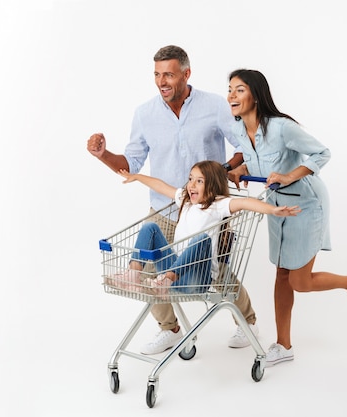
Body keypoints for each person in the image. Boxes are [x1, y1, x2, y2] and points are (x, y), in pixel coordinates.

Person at [87, 45, 259, 355]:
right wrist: (103, 155)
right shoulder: (145, 114)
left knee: (216, 272)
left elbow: (243, 145)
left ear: (186, 73)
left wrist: (227, 170)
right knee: (150, 269)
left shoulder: (214, 106)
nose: (161, 81)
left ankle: (247, 320)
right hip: (166, 207)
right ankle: (171, 329)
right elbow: (131, 164)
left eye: (168, 74)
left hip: (209, 209)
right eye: (156, 74)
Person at [225, 68, 347, 367]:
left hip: (306, 204)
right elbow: (253, 158)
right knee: (281, 274)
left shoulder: (281, 127)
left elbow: (322, 153)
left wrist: (291, 175)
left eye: (239, 89)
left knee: (300, 281)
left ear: (256, 94)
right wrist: (241, 169)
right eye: (229, 89)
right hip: (276, 207)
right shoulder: (240, 129)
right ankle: (284, 345)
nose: (231, 95)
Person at [116, 160, 300, 299]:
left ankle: (166, 280)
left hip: (198, 278)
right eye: (190, 179)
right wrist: (137, 177)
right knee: (150, 227)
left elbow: (245, 202)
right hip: (175, 271)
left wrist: (273, 210)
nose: (191, 185)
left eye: (199, 181)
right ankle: (133, 274)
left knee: (201, 239)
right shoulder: (185, 200)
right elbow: (161, 186)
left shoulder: (218, 205)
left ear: (211, 186)